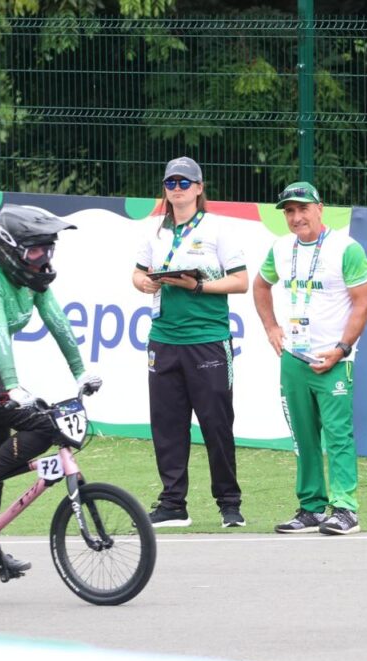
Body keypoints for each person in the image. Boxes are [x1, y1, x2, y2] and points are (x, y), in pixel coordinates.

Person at [0, 204, 102, 577]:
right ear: (10, 250)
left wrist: (81, 372)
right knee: (44, 426)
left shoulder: (33, 281)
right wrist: (13, 386)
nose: (43, 259)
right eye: (35, 250)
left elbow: (58, 323)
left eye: (49, 250)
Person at [131, 157, 249, 529]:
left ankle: (229, 503)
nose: (177, 190)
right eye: (171, 183)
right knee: (167, 424)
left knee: (216, 423)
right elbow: (137, 272)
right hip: (163, 339)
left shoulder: (218, 229)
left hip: (207, 340)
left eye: (185, 183)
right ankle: (172, 503)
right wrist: (145, 283)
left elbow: (241, 281)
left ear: (199, 188)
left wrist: (198, 285)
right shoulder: (155, 231)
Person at [254, 182, 367, 536]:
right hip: (293, 358)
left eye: (302, 208)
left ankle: (346, 509)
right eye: (289, 211)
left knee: (338, 435)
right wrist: (271, 327)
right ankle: (311, 507)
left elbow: (363, 304)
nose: (296, 217)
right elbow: (260, 286)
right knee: (302, 437)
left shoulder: (346, 249)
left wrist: (341, 348)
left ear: (320, 208)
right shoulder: (280, 248)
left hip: (333, 357)